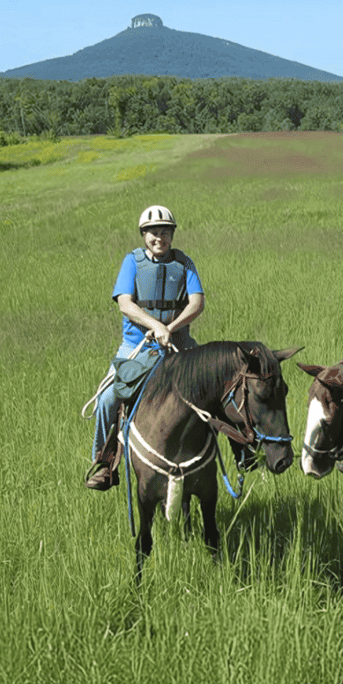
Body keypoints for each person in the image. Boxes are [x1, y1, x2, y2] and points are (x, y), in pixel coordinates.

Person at [84, 203, 205, 489]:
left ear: (172, 235)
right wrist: (155, 327)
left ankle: (238, 454)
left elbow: (197, 303)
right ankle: (104, 463)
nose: (158, 237)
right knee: (107, 400)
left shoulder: (184, 263)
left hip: (180, 345)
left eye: (164, 232)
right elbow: (125, 303)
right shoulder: (132, 262)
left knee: (213, 390)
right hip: (137, 348)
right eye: (152, 232)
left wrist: (170, 329)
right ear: (143, 235)